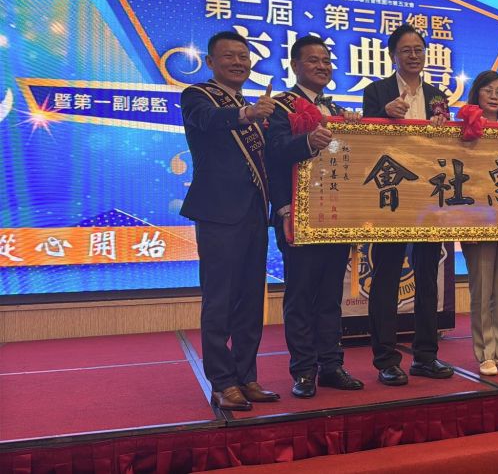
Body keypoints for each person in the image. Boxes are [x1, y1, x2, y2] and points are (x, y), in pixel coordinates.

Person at [180, 31, 279, 411]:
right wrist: (247, 114)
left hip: (254, 212)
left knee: (251, 301)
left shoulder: (249, 106)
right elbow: (208, 121)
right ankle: (222, 381)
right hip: (218, 213)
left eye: (243, 56)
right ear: (210, 62)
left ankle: (246, 376)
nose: (238, 62)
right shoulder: (198, 96)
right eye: (229, 56)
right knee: (219, 300)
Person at [265, 35, 364, 398]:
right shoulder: (280, 106)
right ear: (295, 65)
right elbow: (272, 154)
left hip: (334, 214)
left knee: (330, 295)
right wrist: (283, 208)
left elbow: (346, 159)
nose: (322, 66)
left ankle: (331, 365)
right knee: (301, 295)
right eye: (313, 60)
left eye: (326, 60)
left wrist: (353, 130)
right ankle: (304, 370)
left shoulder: (335, 108)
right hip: (297, 214)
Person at [361, 23, 454, 386]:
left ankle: (426, 356)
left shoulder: (437, 96)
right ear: (392, 55)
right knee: (386, 276)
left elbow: (444, 145)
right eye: (406, 50)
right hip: (392, 195)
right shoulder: (376, 92)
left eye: (419, 49)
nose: (414, 55)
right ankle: (386, 359)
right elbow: (365, 140)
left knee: (428, 276)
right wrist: (383, 115)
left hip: (429, 196)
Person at [459, 71, 498, 376]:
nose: (495, 95)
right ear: (477, 93)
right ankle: (484, 353)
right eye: (488, 90)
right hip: (477, 220)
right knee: (482, 291)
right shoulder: (465, 129)